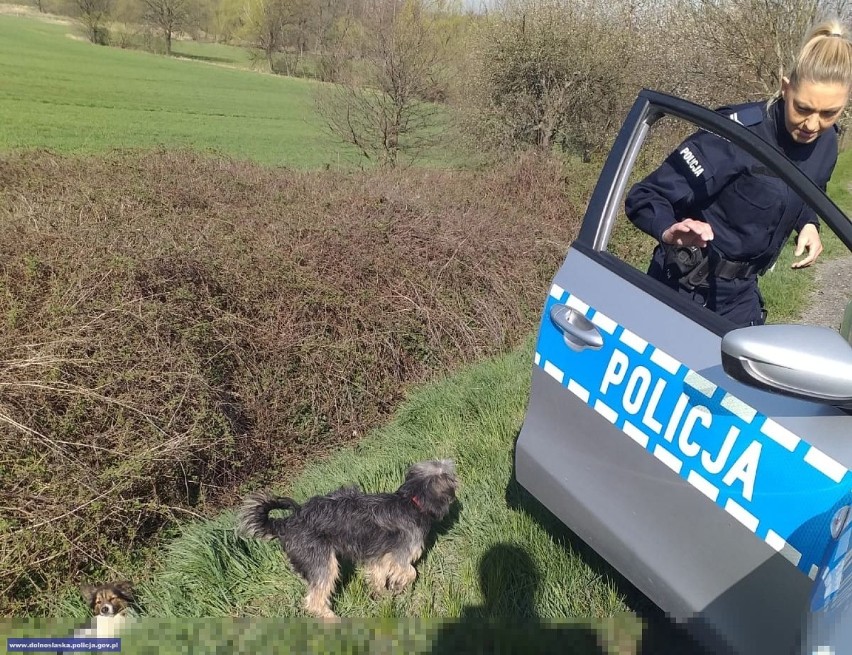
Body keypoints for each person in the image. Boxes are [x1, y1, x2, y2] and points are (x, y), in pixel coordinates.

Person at [625, 18, 852, 328]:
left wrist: (808, 224)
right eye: (803, 108)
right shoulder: (735, 135)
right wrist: (668, 230)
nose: (812, 124)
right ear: (786, 89)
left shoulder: (826, 143)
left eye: (828, 113)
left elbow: (810, 189)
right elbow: (645, 196)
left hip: (742, 297)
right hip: (684, 286)